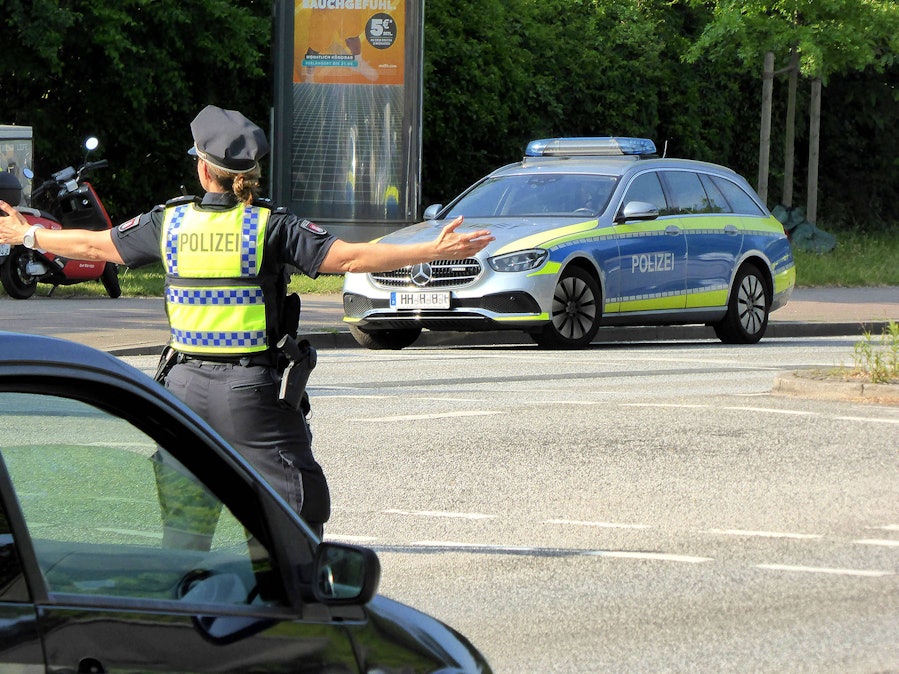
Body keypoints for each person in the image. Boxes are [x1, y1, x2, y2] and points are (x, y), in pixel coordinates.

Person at [0, 105, 494, 539]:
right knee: (295, 511)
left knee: (186, 521)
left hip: (182, 390)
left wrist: (29, 237)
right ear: (247, 173)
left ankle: (190, 610)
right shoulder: (271, 226)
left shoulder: (168, 222)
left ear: (202, 169)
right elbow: (349, 258)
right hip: (250, 392)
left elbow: (95, 245)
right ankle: (292, 607)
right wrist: (432, 248)